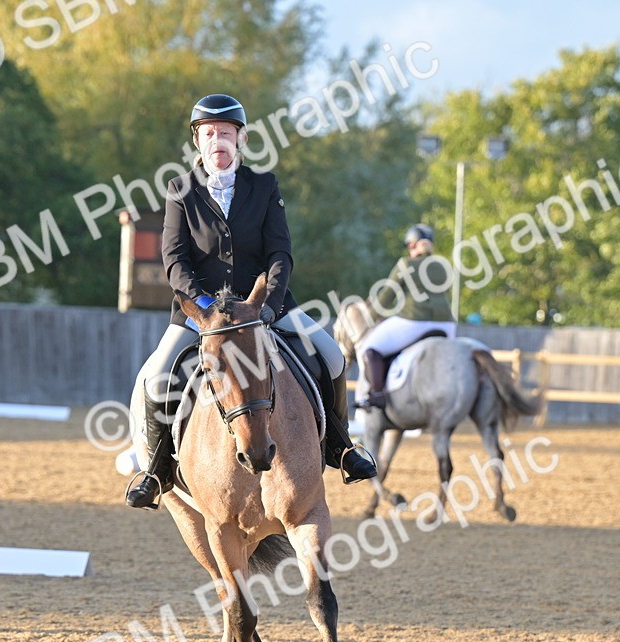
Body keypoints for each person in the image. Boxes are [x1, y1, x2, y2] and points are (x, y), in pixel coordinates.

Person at [125, 93, 377, 509]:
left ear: (240, 139)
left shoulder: (264, 185)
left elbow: (280, 253)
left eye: (226, 132)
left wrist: (268, 305)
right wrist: (204, 307)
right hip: (202, 312)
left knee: (332, 356)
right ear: (198, 141)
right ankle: (155, 471)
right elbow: (174, 259)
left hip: (263, 306)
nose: (217, 141)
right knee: (157, 377)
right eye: (209, 133)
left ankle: (342, 447)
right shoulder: (180, 190)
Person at [356, 224, 458, 409]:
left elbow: (387, 296)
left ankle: (377, 394)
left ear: (413, 245)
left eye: (409, 245)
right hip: (447, 325)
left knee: (370, 348)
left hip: (415, 320)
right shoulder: (444, 266)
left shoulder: (406, 264)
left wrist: (370, 317)